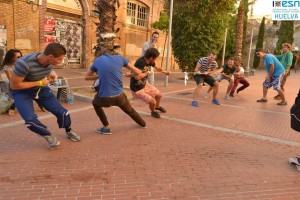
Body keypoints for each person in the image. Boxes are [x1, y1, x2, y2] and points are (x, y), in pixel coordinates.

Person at [10, 42, 80, 147]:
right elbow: (15, 86)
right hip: (22, 91)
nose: (61, 62)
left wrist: (52, 75)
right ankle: (48, 136)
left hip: (40, 89)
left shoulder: (49, 61)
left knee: (63, 112)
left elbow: (46, 71)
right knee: (30, 120)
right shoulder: (23, 64)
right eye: (59, 59)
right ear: (51, 57)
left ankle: (68, 130)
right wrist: (39, 83)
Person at [85, 47, 146, 135]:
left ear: (99, 55)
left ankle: (106, 127)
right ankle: (143, 124)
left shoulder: (97, 60)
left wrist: (100, 76)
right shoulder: (120, 58)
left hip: (104, 99)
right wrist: (132, 74)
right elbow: (138, 72)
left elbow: (86, 77)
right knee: (130, 110)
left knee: (95, 103)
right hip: (120, 97)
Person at [127, 48, 170, 118]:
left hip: (144, 84)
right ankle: (153, 112)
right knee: (153, 101)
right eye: (156, 58)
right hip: (137, 89)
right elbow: (137, 77)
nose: (156, 60)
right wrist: (147, 73)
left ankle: (157, 107)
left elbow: (158, 68)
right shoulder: (140, 63)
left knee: (159, 95)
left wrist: (166, 72)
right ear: (151, 58)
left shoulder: (150, 62)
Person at [1, 49, 45, 116]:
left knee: (32, 90)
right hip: (14, 84)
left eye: (21, 56)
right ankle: (12, 108)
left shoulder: (20, 64)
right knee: (24, 92)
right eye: (18, 57)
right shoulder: (7, 67)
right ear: (12, 58)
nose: (21, 58)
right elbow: (11, 79)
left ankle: (41, 105)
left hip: (23, 83)